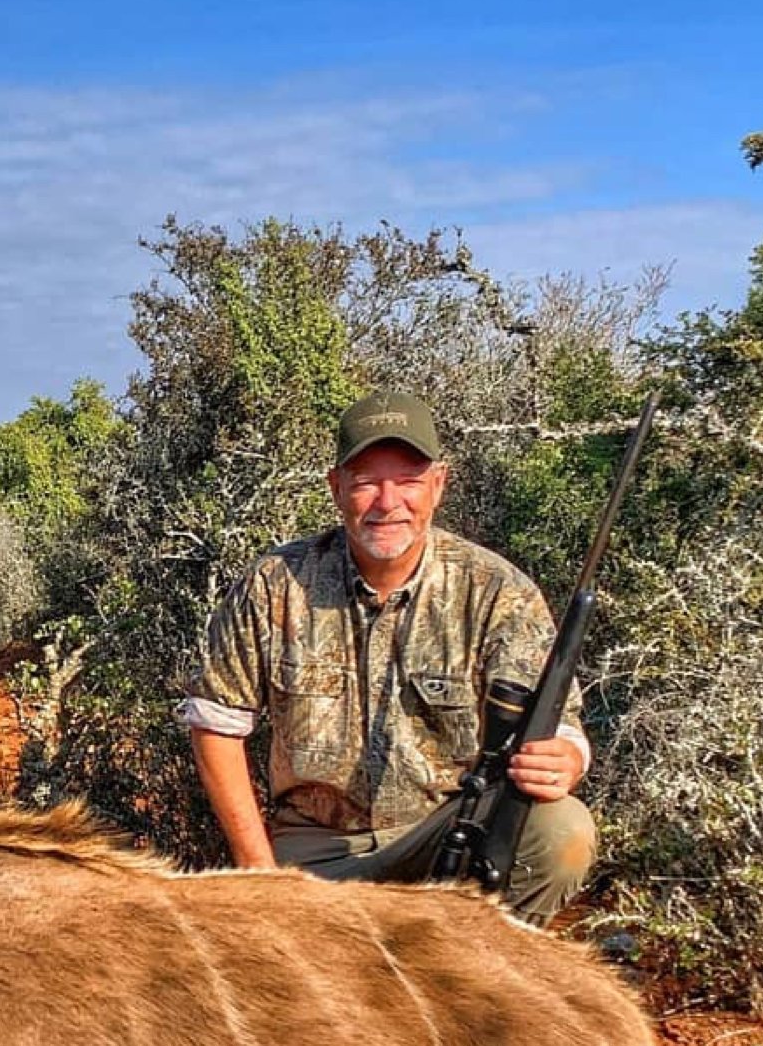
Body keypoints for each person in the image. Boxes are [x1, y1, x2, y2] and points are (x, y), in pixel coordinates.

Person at [175, 389, 595, 925]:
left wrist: (565, 757)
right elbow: (215, 723)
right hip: (316, 850)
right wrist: (260, 875)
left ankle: (477, 979)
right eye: (367, 481)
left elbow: (561, 726)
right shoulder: (275, 584)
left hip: (445, 830)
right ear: (337, 488)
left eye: (409, 481)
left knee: (563, 834)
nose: (388, 502)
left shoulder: (495, 589)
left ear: (438, 485)